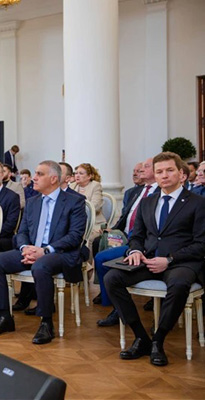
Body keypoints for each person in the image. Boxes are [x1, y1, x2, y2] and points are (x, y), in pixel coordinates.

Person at [104, 152, 205, 367]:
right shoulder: (147, 202)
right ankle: (141, 337)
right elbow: (137, 236)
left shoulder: (198, 203)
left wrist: (169, 260)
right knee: (112, 278)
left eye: (169, 170)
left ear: (182, 174)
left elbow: (201, 244)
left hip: (181, 262)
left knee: (179, 284)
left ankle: (158, 340)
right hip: (148, 259)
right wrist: (135, 251)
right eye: (159, 172)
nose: (164, 175)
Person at [0, 161, 86, 344]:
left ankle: (46, 323)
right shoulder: (32, 202)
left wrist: (45, 250)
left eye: (39, 174)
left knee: (40, 266)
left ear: (53, 179)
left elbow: (75, 236)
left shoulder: (74, 201)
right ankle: (4, 317)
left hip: (59, 252)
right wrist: (25, 248)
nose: (34, 178)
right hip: (31, 249)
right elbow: (21, 232)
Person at [93, 158, 160, 324]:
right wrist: (114, 229)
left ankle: (116, 305)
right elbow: (126, 216)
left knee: (103, 258)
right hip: (124, 235)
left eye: (146, 167)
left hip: (142, 242)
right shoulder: (135, 192)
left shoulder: (161, 192)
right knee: (99, 243)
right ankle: (111, 301)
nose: (141, 170)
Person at [70, 163, 106, 241]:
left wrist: (76, 210)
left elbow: (95, 206)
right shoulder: (72, 186)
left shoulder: (95, 186)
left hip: (93, 223)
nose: (77, 176)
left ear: (89, 176)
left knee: (81, 237)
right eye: (76, 173)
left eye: (81, 173)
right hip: (75, 222)